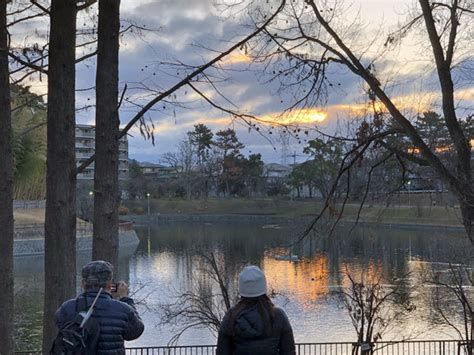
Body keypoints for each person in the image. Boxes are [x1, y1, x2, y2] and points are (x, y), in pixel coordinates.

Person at [54, 260, 144, 354]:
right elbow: (136, 331)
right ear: (110, 284)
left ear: (83, 284)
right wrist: (125, 298)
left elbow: (60, 323)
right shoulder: (123, 309)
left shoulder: (67, 307)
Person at [217, 265, 296, 355]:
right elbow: (289, 352)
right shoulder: (278, 316)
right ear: (263, 287)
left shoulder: (231, 317)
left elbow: (222, 352)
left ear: (241, 289)